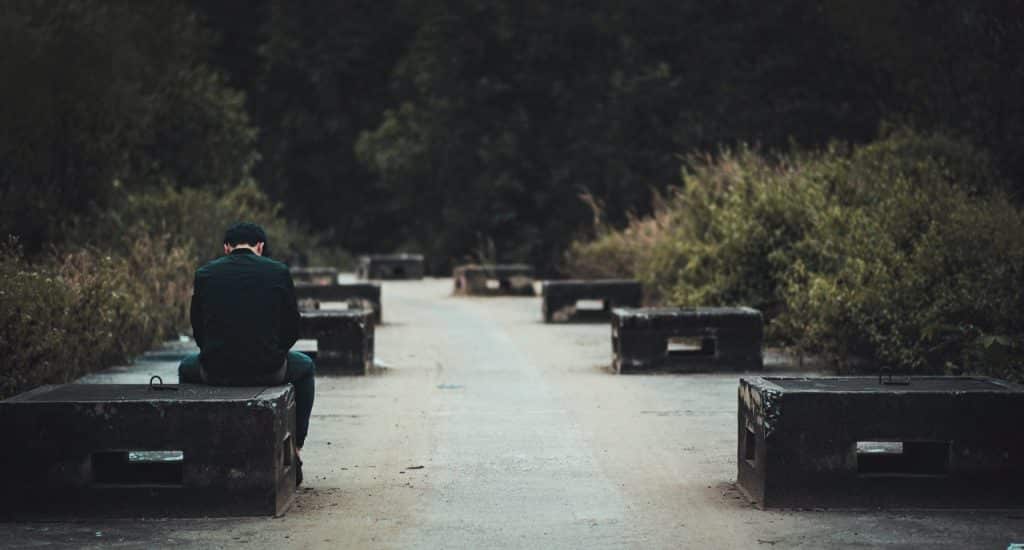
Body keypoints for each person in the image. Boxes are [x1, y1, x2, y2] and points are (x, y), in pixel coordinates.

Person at [178, 222, 315, 486]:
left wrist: (215, 352)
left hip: (215, 372)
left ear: (227, 248)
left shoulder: (205, 274)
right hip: (269, 371)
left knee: (186, 368)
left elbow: (198, 330)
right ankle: (296, 447)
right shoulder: (279, 272)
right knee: (306, 367)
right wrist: (274, 352)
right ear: (260, 247)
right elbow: (292, 329)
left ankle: (195, 450)